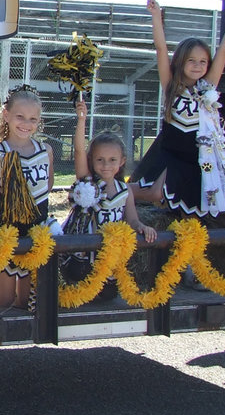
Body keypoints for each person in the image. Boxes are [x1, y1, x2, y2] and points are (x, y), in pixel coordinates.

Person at [134, 0, 225, 216]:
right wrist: (156, 16)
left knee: (190, 206)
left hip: (196, 159)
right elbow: (160, 49)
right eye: (191, 60)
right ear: (180, 61)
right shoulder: (171, 85)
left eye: (203, 61)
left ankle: (121, 192)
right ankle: (115, 192)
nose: (197, 65)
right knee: (155, 193)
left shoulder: (208, 86)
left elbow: (224, 50)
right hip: (171, 154)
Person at [60, 99, 157, 294]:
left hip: (110, 260)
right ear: (91, 160)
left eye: (112, 160)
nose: (106, 165)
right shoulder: (88, 184)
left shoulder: (125, 190)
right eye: (100, 159)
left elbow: (132, 220)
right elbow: (79, 151)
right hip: (84, 259)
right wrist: (81, 120)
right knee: (81, 295)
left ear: (122, 161)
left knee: (108, 295)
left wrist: (143, 227)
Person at [0, 86, 54, 309]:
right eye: (20, 116)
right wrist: (4, 212)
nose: (26, 124)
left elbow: (48, 184)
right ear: (6, 115)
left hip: (36, 233)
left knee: (26, 301)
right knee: (4, 300)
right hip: (8, 233)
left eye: (33, 119)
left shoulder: (46, 150)